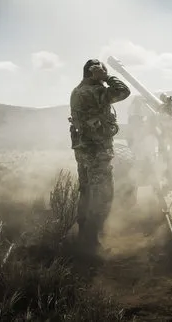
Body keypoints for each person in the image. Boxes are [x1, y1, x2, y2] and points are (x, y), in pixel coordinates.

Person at [69, 59, 131, 250]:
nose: (104, 74)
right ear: (93, 72)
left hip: (84, 150)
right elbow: (124, 91)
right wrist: (107, 77)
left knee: (87, 193)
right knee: (103, 195)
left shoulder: (77, 91)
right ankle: (92, 242)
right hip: (97, 151)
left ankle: (83, 236)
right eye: (102, 71)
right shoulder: (95, 91)